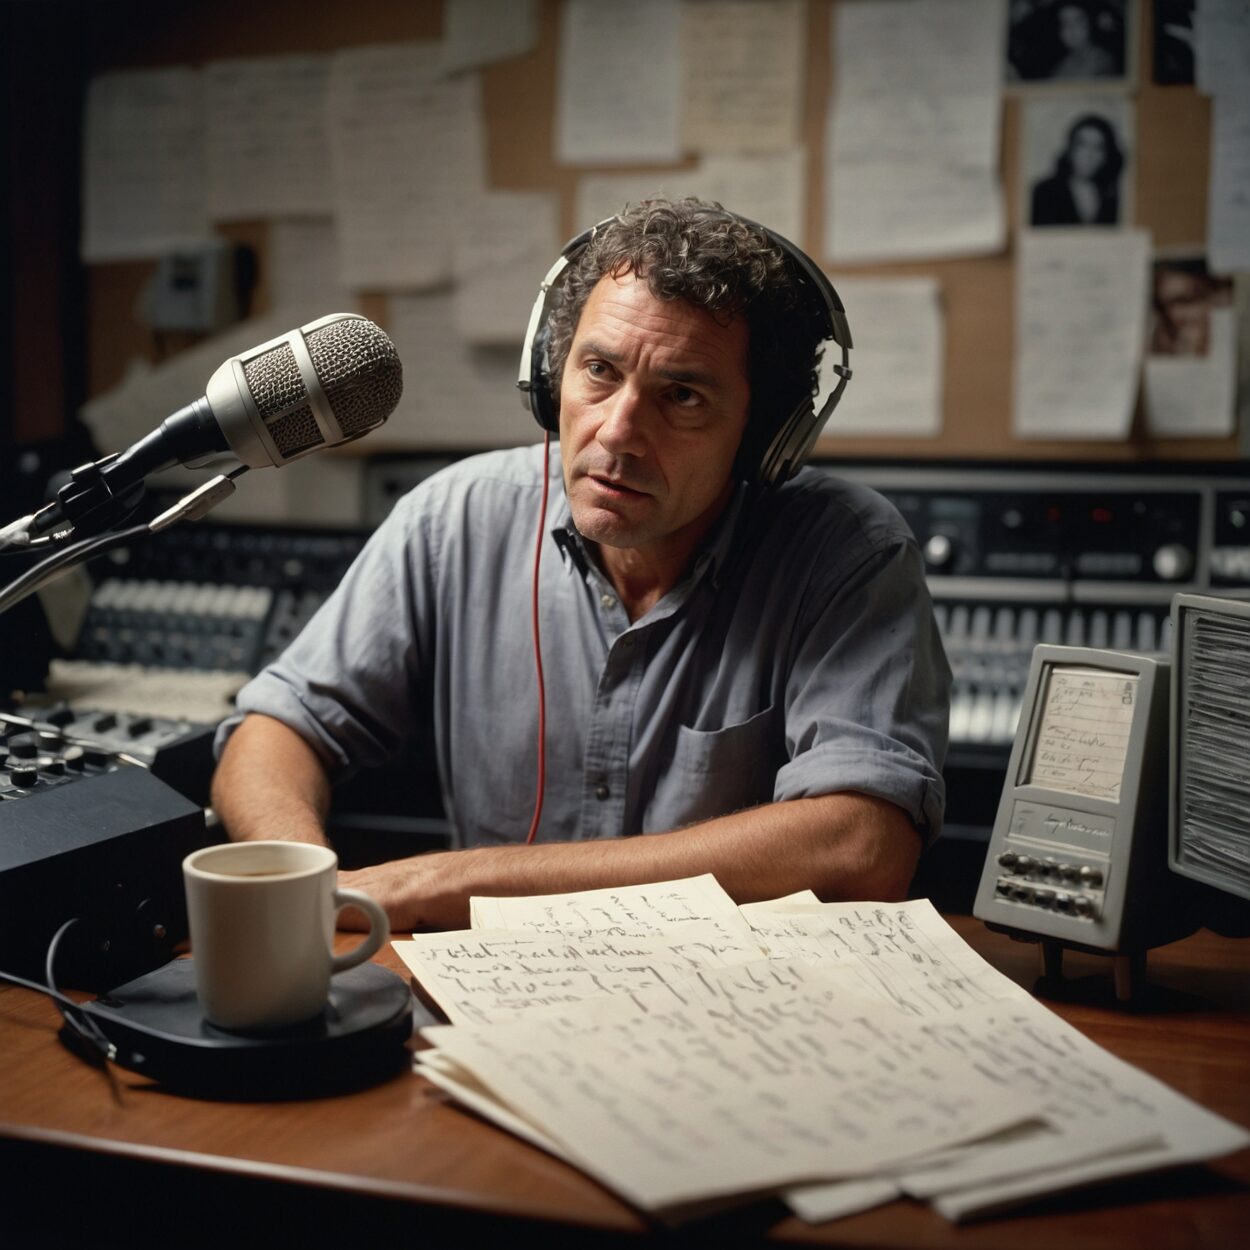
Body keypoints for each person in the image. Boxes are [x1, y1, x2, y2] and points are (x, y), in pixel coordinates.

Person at [211, 198, 950, 931]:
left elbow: (862, 840)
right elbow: (276, 727)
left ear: (760, 435)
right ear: (548, 377)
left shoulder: (846, 550)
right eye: (599, 370)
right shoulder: (455, 517)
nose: (619, 431)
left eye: (682, 396)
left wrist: (457, 880)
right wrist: (305, 881)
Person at [1030, 114, 1123, 227]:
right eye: (1083, 145)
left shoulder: (1112, 197)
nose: (1089, 155)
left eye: (1098, 147)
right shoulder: (1044, 192)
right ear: (1070, 149)